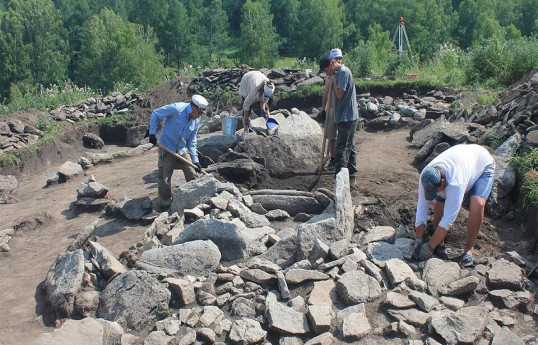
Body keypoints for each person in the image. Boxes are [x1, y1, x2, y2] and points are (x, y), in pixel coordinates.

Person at [414, 144, 496, 267]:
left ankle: (468, 250)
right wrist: (418, 239)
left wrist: (429, 247)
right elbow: (421, 207)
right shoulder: (426, 175)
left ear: (442, 182)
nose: (436, 193)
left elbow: (448, 220)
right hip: (464, 159)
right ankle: (439, 243)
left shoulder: (455, 184)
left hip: (482, 165)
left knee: (477, 204)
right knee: (437, 203)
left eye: (436, 190)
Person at [148, 95, 209, 210]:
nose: (201, 115)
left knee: (192, 174)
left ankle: (195, 201)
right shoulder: (177, 109)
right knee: (164, 179)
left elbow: (191, 141)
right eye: (200, 112)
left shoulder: (196, 119)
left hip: (182, 149)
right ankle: (165, 205)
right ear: (193, 108)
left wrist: (195, 161)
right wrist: (152, 134)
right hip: (166, 147)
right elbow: (156, 114)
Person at [318, 54, 359, 185]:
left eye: (326, 70)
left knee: (341, 150)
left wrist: (334, 80)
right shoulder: (338, 73)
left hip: (347, 117)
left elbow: (340, 95)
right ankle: (352, 178)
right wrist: (323, 109)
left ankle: (340, 182)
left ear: (331, 65)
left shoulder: (343, 73)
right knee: (349, 147)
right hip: (343, 116)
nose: (326, 73)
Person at [321, 48, 344, 171]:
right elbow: (325, 93)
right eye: (336, 58)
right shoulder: (328, 76)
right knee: (331, 135)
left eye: (339, 58)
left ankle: (342, 161)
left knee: (341, 136)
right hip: (330, 108)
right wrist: (323, 109)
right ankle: (333, 159)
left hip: (340, 109)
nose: (338, 60)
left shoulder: (342, 73)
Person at [238, 70, 275, 135]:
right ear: (262, 91)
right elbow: (246, 105)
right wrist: (246, 119)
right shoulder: (254, 92)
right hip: (247, 80)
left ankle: (270, 127)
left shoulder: (270, 87)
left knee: (266, 109)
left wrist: (263, 110)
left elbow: (264, 100)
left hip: (258, 77)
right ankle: (246, 130)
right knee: (247, 109)